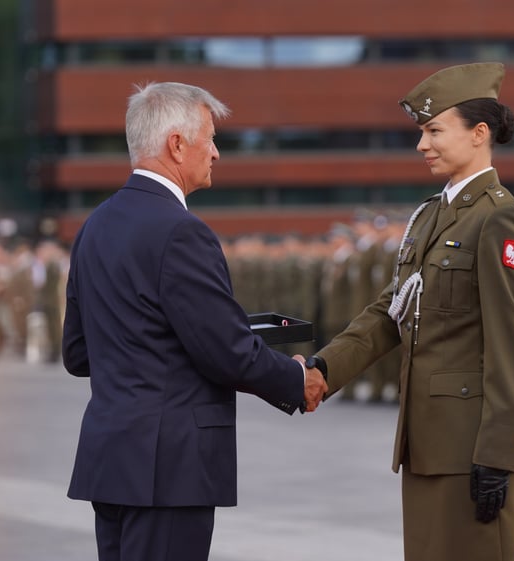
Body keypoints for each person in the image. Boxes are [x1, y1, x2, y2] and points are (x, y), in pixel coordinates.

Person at [61, 81, 328, 561]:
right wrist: (295, 378)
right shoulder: (182, 232)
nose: (218, 153)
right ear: (177, 144)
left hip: (113, 461)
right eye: (210, 138)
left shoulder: (93, 227)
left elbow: (79, 354)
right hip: (169, 469)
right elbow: (225, 352)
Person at [304, 62, 514, 560]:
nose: (422, 144)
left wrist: (498, 455)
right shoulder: (432, 214)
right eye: (421, 132)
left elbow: (511, 347)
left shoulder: (500, 217)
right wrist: (324, 368)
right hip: (428, 444)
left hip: (471, 450)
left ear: (479, 134)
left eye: (434, 130)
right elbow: (392, 309)